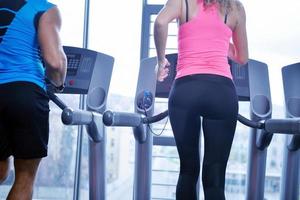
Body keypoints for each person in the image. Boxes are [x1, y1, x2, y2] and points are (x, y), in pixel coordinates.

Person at [154, 0, 248, 199]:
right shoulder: (235, 8)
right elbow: (242, 58)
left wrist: (161, 61)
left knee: (188, 171)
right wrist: (223, 44)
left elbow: (161, 23)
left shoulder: (182, 1)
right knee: (215, 178)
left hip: (186, 91)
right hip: (221, 93)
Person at [0, 0, 67, 199]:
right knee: (25, 176)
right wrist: (59, 83)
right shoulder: (43, 8)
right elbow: (55, 62)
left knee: (0, 170)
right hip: (24, 91)